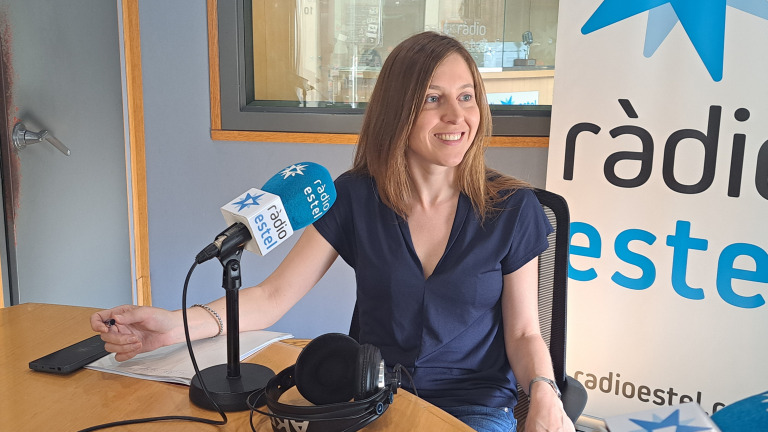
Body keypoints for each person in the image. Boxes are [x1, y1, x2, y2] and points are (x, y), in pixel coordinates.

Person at [91, 31, 574, 432]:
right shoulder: (355, 196)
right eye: (433, 98)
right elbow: (272, 297)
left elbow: (524, 333)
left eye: (466, 96)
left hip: (471, 408)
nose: (456, 115)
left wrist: (544, 392)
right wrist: (170, 327)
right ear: (398, 110)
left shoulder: (513, 209)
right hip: (369, 399)